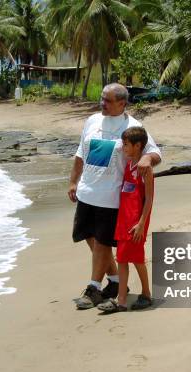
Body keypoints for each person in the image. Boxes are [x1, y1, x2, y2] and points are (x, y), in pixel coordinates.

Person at [68, 83, 162, 309]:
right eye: (102, 98)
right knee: (88, 237)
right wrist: (73, 181)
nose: (102, 103)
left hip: (110, 198)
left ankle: (93, 288)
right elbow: (81, 154)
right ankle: (115, 280)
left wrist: (147, 159)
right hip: (86, 192)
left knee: (102, 244)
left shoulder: (133, 126)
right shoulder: (92, 121)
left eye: (108, 100)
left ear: (122, 103)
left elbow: (155, 152)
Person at [97, 127, 154, 313]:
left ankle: (146, 294)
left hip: (136, 223)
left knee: (137, 259)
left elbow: (149, 199)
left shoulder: (146, 171)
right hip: (123, 221)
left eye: (127, 144)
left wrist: (141, 224)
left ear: (138, 146)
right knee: (121, 258)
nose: (124, 147)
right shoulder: (128, 165)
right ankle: (121, 300)